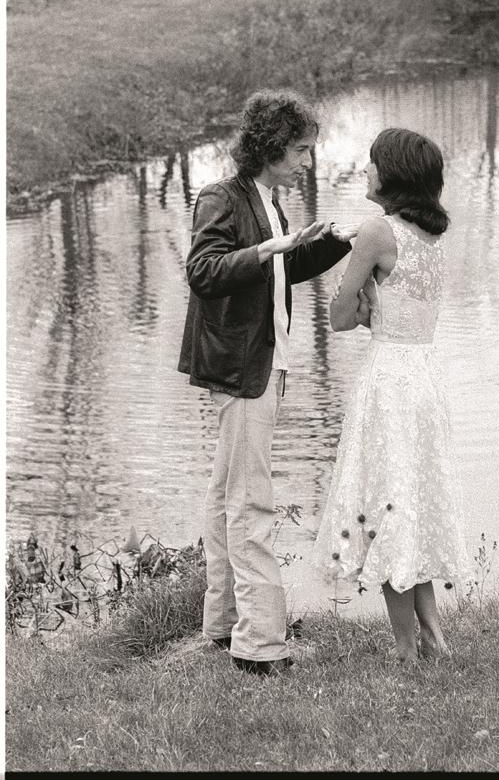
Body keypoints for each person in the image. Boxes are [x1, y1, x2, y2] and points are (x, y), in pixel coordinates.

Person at [178, 89, 355, 676]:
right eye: (301, 150)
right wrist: (267, 247)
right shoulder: (220, 197)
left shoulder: (268, 198)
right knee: (249, 501)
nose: (307, 162)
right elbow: (203, 273)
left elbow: (279, 268)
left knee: (226, 493)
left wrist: (331, 243)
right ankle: (260, 645)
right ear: (271, 146)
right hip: (239, 366)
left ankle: (226, 625)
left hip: (264, 361)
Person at [312, 127, 473, 664]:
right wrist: (371, 301)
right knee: (411, 502)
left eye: (373, 163)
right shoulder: (429, 235)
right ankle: (434, 639)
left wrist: (356, 293)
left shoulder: (377, 233)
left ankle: (406, 649)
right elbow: (396, 301)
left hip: (387, 384)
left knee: (384, 505)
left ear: (393, 176)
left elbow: (338, 318)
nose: (366, 170)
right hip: (424, 377)